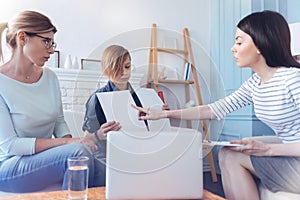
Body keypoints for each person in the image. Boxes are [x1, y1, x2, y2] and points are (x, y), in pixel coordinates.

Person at [133, 10, 300, 200]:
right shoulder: (255, 83)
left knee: (231, 157)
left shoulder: (292, 79)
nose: (233, 48)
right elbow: (213, 109)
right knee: (228, 152)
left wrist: (268, 149)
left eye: (239, 42)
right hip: (291, 155)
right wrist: (164, 114)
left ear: (260, 44)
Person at [0, 10, 120, 193]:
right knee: (78, 153)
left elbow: (59, 122)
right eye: (46, 41)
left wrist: (77, 142)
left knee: (111, 172)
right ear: (22, 38)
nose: (51, 49)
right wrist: (71, 144)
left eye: (52, 42)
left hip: (43, 159)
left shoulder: (50, 77)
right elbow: (11, 145)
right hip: (9, 166)